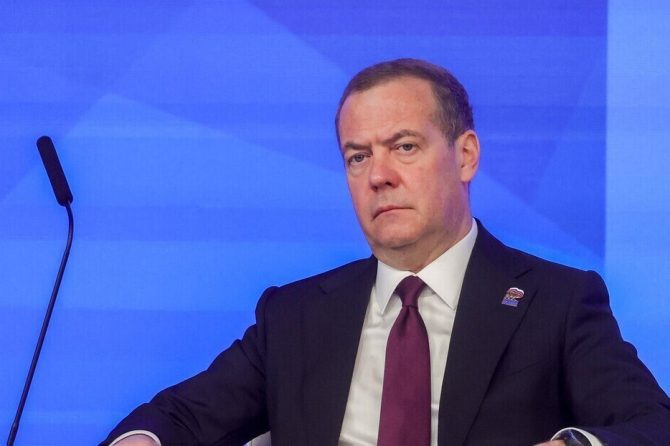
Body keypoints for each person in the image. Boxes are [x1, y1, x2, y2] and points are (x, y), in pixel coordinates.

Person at [101, 59, 670, 446]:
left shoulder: (557, 301)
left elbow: (652, 424)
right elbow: (179, 417)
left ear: (466, 156)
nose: (379, 175)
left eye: (405, 146)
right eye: (357, 156)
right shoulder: (295, 316)